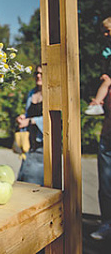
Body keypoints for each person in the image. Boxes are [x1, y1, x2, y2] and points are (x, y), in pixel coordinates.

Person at [90, 70, 111, 240]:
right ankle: (107, 223)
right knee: (105, 186)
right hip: (107, 140)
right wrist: (98, 104)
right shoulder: (108, 84)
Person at [16, 65, 44, 185]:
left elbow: (53, 119)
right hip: (28, 144)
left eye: (42, 74)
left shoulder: (52, 95)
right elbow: (29, 113)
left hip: (41, 146)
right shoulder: (32, 93)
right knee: (22, 178)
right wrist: (23, 118)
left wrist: (31, 121)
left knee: (32, 183)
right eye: (37, 73)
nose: (38, 76)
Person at [85, 17, 111, 116]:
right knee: (106, 81)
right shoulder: (107, 46)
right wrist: (104, 73)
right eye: (103, 32)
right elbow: (104, 61)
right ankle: (97, 104)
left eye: (107, 31)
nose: (105, 34)